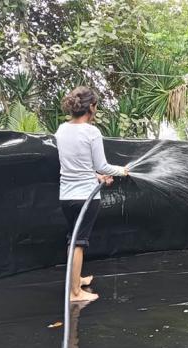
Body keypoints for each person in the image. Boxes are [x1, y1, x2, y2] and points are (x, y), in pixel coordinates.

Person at [55, 86, 128, 302]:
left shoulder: (61, 130)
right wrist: (121, 171)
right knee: (78, 243)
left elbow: (75, 166)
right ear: (92, 107)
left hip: (66, 197)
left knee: (74, 239)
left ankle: (77, 280)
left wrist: (97, 177)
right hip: (86, 198)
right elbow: (102, 165)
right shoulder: (91, 132)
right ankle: (75, 292)